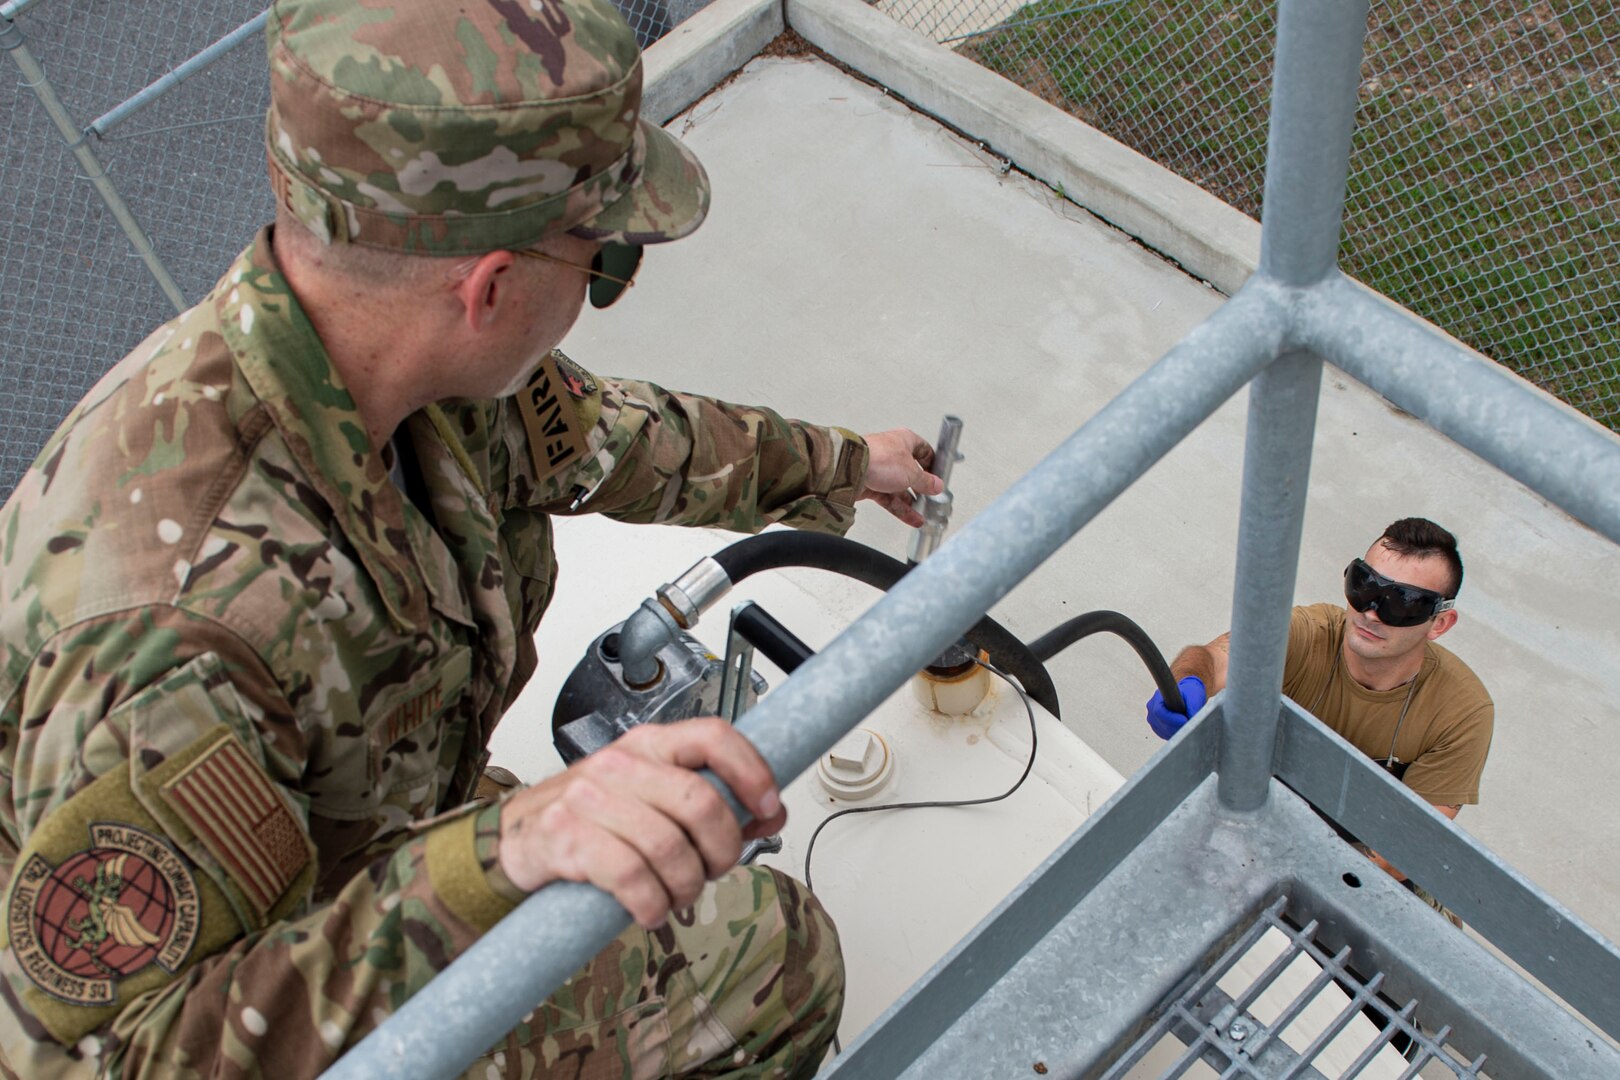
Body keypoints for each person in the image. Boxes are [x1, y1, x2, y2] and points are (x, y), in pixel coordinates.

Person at [0, 0, 945, 1075]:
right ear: (490, 287)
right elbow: (113, 1058)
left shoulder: (400, 370)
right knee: (772, 966)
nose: (601, 293)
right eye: (604, 261)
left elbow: (615, 439)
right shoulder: (181, 625)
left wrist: (838, 466)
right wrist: (497, 855)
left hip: (367, 860)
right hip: (254, 997)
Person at [1144, 518, 1494, 893]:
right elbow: (1213, 658)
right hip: (1256, 828)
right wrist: (1187, 682)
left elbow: (1403, 854)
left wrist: (1280, 876)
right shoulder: (1308, 635)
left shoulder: (1460, 711)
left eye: (1402, 602)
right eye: (1364, 585)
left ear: (1439, 623)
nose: (1371, 612)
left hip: (1362, 879)